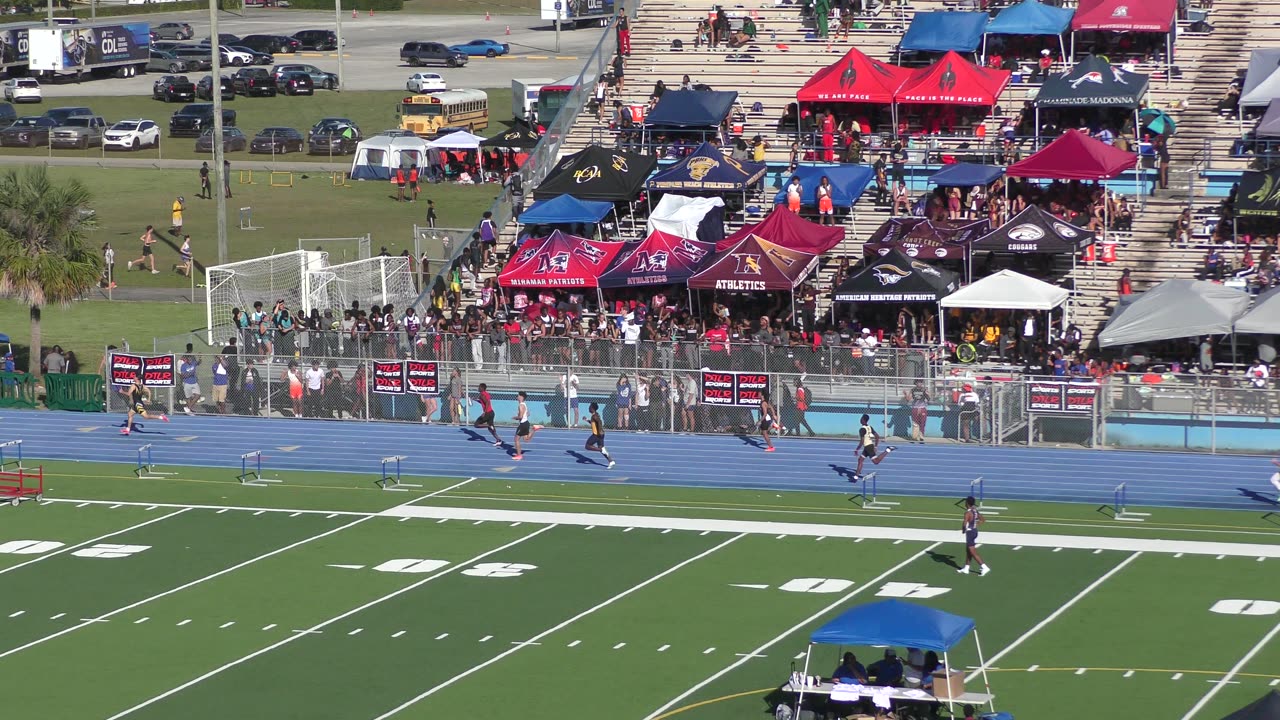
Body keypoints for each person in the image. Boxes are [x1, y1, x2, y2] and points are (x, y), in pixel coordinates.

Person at [854, 413, 894, 479]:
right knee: (860, 460)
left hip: (868, 447)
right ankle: (856, 476)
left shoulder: (862, 429)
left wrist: (857, 449)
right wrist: (875, 446)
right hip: (869, 446)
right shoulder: (870, 427)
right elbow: (877, 437)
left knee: (876, 461)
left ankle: (887, 450)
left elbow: (862, 441)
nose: (860, 420)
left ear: (863, 420)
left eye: (861, 418)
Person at [958, 495, 989, 575]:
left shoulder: (967, 513)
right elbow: (982, 519)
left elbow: (964, 523)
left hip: (970, 533)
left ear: (967, 503)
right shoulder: (975, 511)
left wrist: (964, 530)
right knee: (968, 550)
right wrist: (975, 525)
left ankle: (984, 567)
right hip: (974, 531)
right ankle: (966, 568)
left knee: (972, 551)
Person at [511, 390, 542, 460]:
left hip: (522, 424)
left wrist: (515, 417)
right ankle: (534, 429)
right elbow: (528, 414)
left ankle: (519, 455)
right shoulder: (524, 404)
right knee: (526, 439)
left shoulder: (521, 405)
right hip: (526, 423)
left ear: (521, 397)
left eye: (518, 395)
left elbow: (521, 417)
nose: (517, 397)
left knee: (516, 439)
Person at [585, 402, 615, 468]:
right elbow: (594, 423)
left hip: (597, 435)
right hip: (601, 434)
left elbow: (599, 422)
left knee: (587, 446)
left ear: (592, 408)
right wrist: (587, 420)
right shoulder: (595, 415)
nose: (588, 408)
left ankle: (601, 450)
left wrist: (600, 431)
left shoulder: (595, 416)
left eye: (589, 407)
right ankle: (611, 461)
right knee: (601, 447)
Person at [474, 382, 503, 447]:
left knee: (476, 424)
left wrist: (484, 412)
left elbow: (487, 402)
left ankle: (488, 425)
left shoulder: (482, 395)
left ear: (482, 388)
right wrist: (477, 400)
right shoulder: (485, 394)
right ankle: (498, 440)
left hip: (487, 413)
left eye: (479, 387)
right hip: (491, 412)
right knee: (491, 429)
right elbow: (484, 402)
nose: (478, 388)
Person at [905, 379, 929, 443]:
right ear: (915, 383)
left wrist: (927, 394)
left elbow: (928, 398)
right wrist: (905, 394)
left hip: (922, 407)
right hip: (915, 408)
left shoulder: (924, 390)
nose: (920, 384)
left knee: (922, 423)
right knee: (915, 423)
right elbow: (908, 399)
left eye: (921, 382)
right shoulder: (912, 390)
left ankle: (921, 436)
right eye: (918, 382)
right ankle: (914, 437)